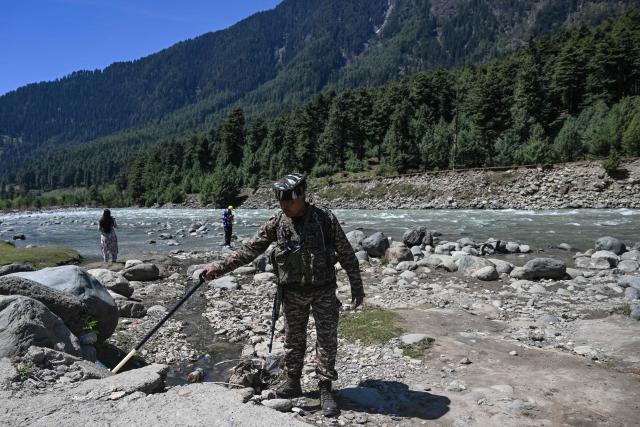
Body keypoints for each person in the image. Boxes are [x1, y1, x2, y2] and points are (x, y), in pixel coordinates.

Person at [205, 173, 364, 417]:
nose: (284, 205)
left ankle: (325, 389)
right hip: (292, 293)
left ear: (302, 196)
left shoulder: (324, 219)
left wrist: (356, 285)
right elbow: (250, 249)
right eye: (280, 201)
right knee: (293, 341)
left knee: (327, 340)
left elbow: (346, 252)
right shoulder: (277, 222)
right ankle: (293, 383)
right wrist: (219, 268)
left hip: (323, 291)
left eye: (289, 200)